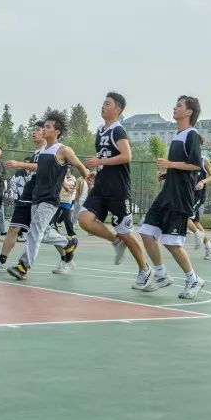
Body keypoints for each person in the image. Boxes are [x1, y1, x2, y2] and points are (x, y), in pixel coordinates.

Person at [78, 92, 153, 287]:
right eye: (103, 102)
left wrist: (100, 161)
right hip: (101, 186)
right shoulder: (101, 130)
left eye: (107, 103)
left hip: (118, 190)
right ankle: (115, 241)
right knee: (84, 220)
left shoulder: (118, 130)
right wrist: (98, 169)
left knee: (126, 232)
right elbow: (105, 156)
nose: (103, 106)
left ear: (117, 109)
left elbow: (127, 156)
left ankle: (144, 268)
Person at [3, 112, 88, 280]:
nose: (44, 129)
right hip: (37, 197)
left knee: (34, 231)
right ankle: (67, 244)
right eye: (44, 127)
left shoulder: (63, 149)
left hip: (50, 200)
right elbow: (43, 169)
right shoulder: (41, 151)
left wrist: (88, 178)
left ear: (56, 132)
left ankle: (23, 266)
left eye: (48, 127)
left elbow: (79, 165)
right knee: (44, 231)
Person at [137, 96, 206, 299]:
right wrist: (168, 173)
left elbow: (195, 165)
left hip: (180, 197)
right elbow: (183, 166)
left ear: (189, 112)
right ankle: (161, 275)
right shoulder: (179, 135)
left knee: (172, 242)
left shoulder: (191, 135)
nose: (174, 108)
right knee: (146, 232)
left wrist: (170, 165)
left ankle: (194, 280)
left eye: (179, 106)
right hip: (167, 193)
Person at [0, 121, 45, 271]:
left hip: (40, 198)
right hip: (26, 196)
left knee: (46, 234)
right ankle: (0, 262)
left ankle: (66, 249)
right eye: (33, 130)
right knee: (13, 228)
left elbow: (45, 168)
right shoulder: (37, 152)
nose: (33, 132)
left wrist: (19, 164)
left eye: (37, 130)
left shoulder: (49, 150)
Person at [187, 141, 211, 259]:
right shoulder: (186, 160)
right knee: (196, 223)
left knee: (185, 217)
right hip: (188, 196)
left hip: (198, 197)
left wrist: (203, 182)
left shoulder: (204, 160)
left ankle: (197, 235)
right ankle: (209, 246)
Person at [49, 168, 78, 240]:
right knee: (54, 217)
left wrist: (64, 186)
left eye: (68, 172)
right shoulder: (61, 177)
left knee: (67, 218)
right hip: (58, 200)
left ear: (71, 172)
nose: (66, 173)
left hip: (67, 201)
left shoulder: (73, 180)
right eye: (66, 171)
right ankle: (54, 231)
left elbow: (70, 188)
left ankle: (71, 233)